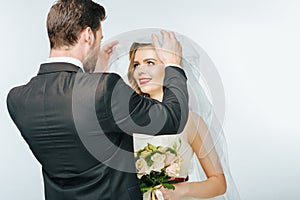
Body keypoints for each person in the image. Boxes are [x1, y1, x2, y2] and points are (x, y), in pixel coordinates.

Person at [6, 1, 189, 200]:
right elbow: (172, 118)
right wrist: (173, 65)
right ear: (88, 35)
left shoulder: (17, 99)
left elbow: (84, 131)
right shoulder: (105, 88)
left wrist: (94, 75)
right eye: (99, 39)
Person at [127, 42, 239, 200]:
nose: (140, 70)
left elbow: (219, 183)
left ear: (169, 67)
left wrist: (181, 190)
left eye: (150, 63)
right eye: (136, 64)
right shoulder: (128, 118)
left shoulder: (191, 121)